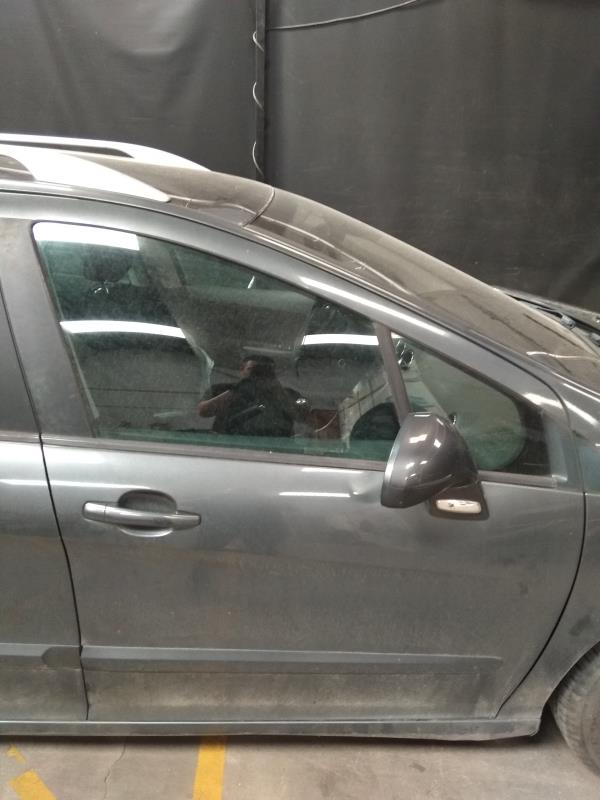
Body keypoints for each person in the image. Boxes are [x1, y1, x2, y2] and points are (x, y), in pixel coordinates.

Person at [198, 355, 299, 437]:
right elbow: (203, 411)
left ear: (273, 373)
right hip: (227, 442)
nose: (259, 374)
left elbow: (303, 417)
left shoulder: (285, 393)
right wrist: (237, 390)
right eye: (253, 370)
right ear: (242, 369)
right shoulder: (223, 389)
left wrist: (278, 390)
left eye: (266, 371)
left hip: (278, 445)